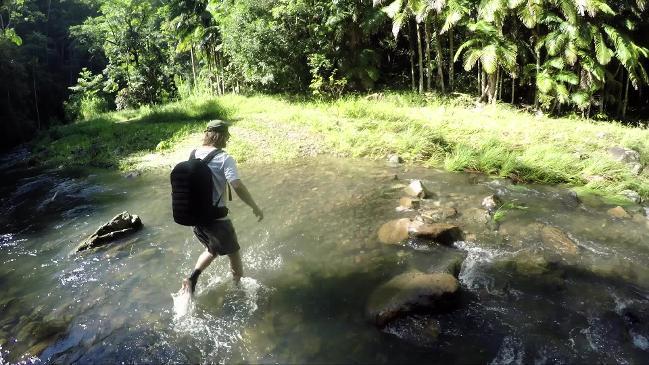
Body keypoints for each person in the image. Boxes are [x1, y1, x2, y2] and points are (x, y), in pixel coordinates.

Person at [181, 119, 263, 295]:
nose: (228, 139)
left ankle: (192, 278)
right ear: (221, 136)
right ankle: (239, 291)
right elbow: (237, 186)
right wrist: (254, 206)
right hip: (217, 220)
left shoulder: (194, 153)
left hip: (196, 218)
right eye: (227, 136)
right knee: (234, 253)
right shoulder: (224, 158)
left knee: (212, 249)